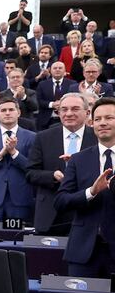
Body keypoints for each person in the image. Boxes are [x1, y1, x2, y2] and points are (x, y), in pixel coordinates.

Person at [54, 96, 115, 277]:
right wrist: (91, 192)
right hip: (84, 252)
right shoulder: (78, 159)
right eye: (97, 119)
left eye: (109, 118)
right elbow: (61, 201)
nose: (102, 123)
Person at [27, 93, 95, 234]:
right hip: (50, 213)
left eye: (75, 109)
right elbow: (30, 173)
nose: (69, 113)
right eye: (64, 109)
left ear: (88, 112)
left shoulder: (97, 137)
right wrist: (53, 176)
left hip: (87, 212)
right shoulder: (43, 137)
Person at [0, 98, 36, 224]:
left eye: (11, 110)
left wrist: (13, 153)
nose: (7, 113)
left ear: (19, 112)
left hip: (21, 200)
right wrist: (0, 155)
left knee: (19, 240)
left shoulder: (32, 137)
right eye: (3, 110)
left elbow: (33, 169)